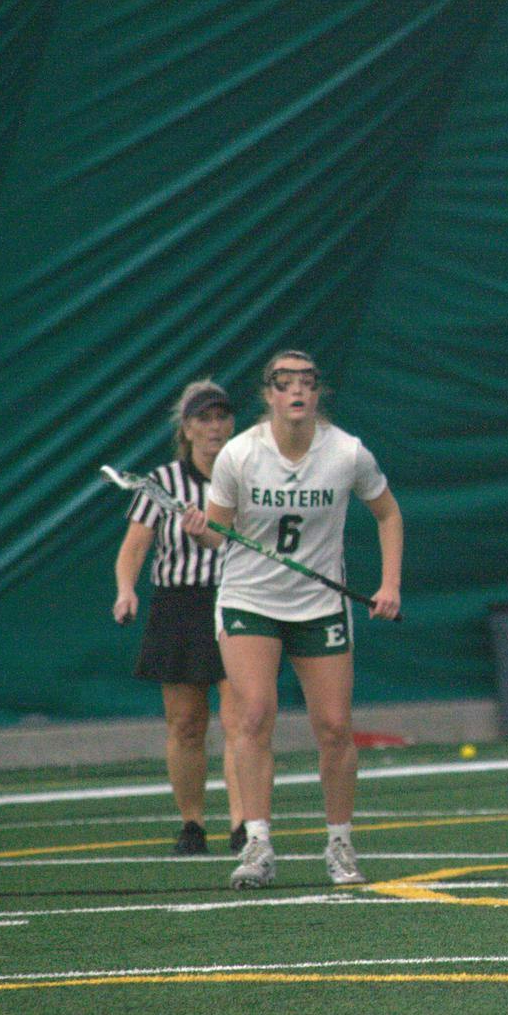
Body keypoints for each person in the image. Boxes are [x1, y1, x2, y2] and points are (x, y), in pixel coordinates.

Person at [187, 350, 403, 889]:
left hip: (319, 604)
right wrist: (199, 530)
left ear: (317, 392)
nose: (297, 392)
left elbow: (388, 512)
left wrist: (389, 583)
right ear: (270, 394)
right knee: (254, 713)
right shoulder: (240, 456)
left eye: (307, 381)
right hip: (249, 598)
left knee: (334, 727)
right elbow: (218, 533)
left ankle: (340, 843)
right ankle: (258, 843)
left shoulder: (346, 453)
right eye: (285, 384)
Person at [112, 379, 243, 855]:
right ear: (186, 427)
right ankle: (192, 823)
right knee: (186, 722)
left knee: (239, 718)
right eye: (204, 418)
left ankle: (242, 824)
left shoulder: (247, 473)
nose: (215, 426)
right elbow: (135, 547)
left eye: (222, 416)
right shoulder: (162, 483)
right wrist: (126, 590)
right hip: (179, 604)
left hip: (235, 599)